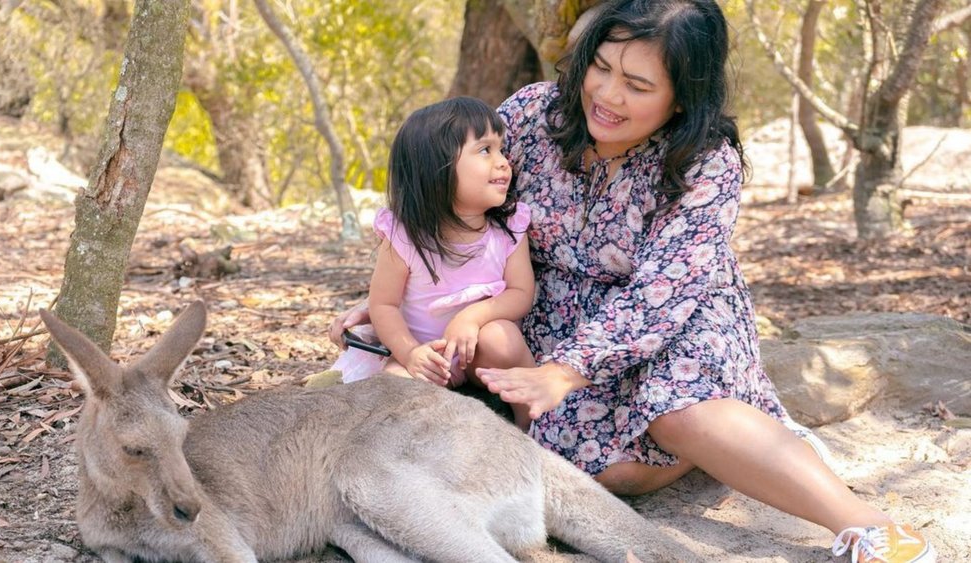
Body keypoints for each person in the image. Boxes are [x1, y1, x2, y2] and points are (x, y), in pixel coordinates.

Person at [329, 1, 934, 561]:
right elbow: (459, 208)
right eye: (601, 68)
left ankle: (864, 520)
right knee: (598, 477)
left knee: (677, 414)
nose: (607, 95)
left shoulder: (706, 162)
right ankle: (727, 449)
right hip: (552, 307)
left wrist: (565, 372)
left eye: (638, 85)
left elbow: (662, 294)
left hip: (678, 312)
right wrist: (408, 292)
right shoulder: (531, 115)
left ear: (681, 99)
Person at [331, 96, 537, 430]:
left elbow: (520, 292)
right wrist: (410, 353)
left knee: (502, 338)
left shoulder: (509, 226)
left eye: (501, 149)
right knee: (394, 385)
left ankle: (531, 424)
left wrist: (472, 317)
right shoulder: (404, 234)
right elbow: (384, 304)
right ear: (437, 167)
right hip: (423, 351)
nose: (503, 162)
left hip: (479, 353)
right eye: (486, 150)